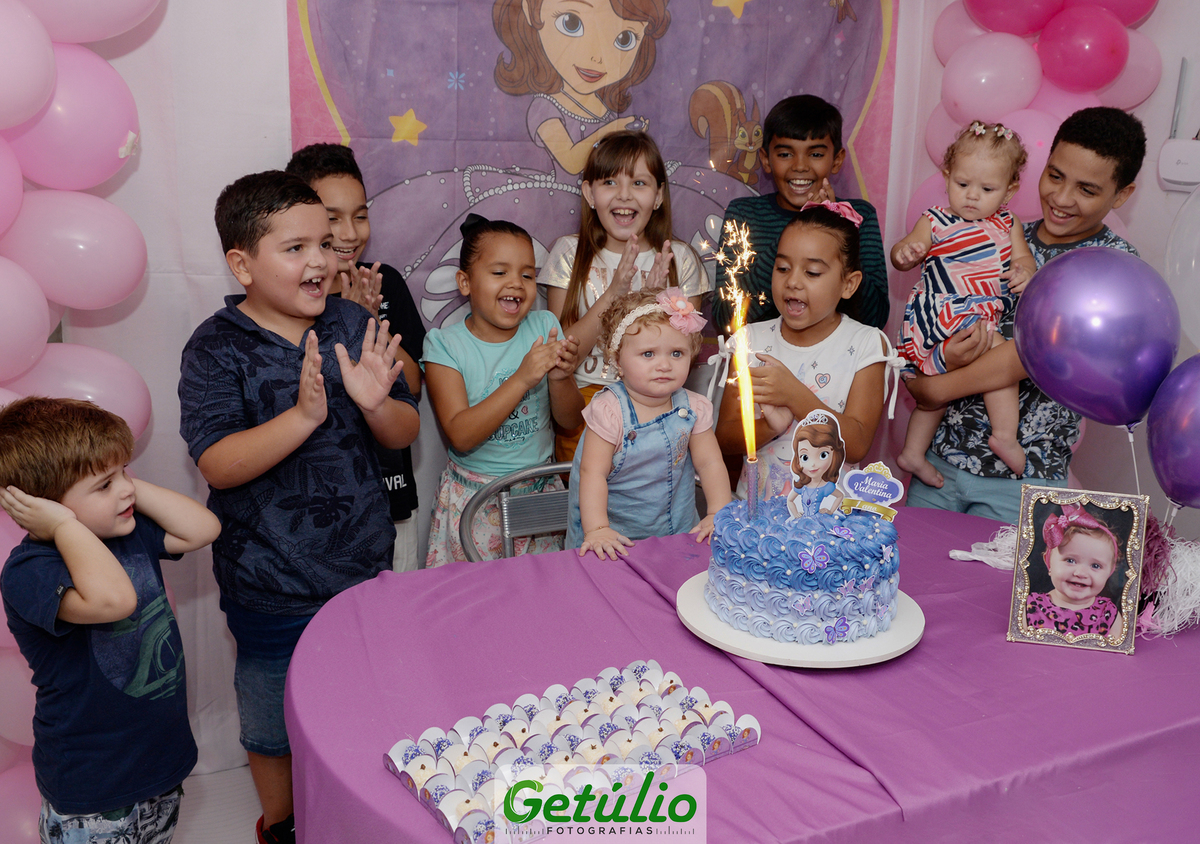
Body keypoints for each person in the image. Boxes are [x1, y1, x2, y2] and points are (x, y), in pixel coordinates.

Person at [178, 170, 420, 844]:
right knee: (271, 725)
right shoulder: (216, 347)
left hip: (364, 572)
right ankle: (282, 825)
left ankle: (359, 814)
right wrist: (303, 417)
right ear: (242, 264)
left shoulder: (352, 321)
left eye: (324, 244)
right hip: (270, 584)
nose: (320, 260)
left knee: (366, 705)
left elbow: (404, 431)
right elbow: (216, 461)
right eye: (295, 248)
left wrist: (378, 405)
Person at [905, 107, 1146, 524]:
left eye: (1087, 189)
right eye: (1055, 176)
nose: (1062, 198)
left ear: (1121, 194)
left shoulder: (1112, 266)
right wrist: (930, 361)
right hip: (941, 461)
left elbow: (1034, 353)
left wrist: (934, 389)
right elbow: (935, 303)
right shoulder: (999, 231)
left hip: (1024, 479)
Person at [0, 397, 221, 844]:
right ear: (44, 507)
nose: (126, 490)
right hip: (93, 786)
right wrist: (64, 527)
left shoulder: (125, 531)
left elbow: (204, 529)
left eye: (125, 472)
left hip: (157, 764)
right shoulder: (30, 570)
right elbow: (114, 601)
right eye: (104, 485)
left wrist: (119, 479)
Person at [285, 143, 427, 573]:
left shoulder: (386, 282)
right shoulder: (287, 295)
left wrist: (367, 321)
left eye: (360, 216)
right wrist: (341, 320)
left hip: (388, 495)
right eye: (332, 218)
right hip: (312, 510)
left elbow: (413, 385)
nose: (349, 233)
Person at [423, 214, 584, 566]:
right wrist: (522, 378)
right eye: (499, 272)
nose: (516, 283)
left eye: (527, 275)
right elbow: (461, 434)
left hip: (538, 493)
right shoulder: (444, 346)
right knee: (479, 595)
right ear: (465, 282)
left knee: (541, 589)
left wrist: (559, 378)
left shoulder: (544, 326)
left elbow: (571, 421)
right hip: (476, 501)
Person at [539, 130, 709, 461]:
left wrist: (651, 300)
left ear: (658, 196)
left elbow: (682, 355)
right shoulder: (569, 253)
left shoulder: (679, 259)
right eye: (610, 182)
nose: (625, 195)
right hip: (583, 406)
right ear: (589, 193)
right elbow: (562, 357)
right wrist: (614, 295)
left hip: (656, 405)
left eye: (639, 183)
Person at [715, 202, 892, 501]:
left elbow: (857, 444)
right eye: (782, 268)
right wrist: (770, 425)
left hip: (831, 517)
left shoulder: (866, 344)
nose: (793, 282)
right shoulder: (750, 340)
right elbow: (725, 438)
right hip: (756, 514)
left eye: (812, 272)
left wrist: (794, 396)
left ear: (849, 284)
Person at [893, 121, 1036, 486]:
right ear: (946, 177)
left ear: (1010, 189)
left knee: (938, 389)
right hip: (940, 312)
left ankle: (912, 452)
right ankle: (1004, 434)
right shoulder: (935, 220)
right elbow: (903, 250)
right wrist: (906, 252)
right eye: (962, 184)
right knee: (1000, 363)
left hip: (977, 314)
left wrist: (1023, 271)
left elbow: (1023, 259)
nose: (972, 196)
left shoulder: (1008, 224)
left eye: (987, 189)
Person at [566, 287, 732, 558]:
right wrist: (597, 529)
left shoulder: (694, 407)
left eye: (676, 353)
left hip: (677, 531)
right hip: (613, 537)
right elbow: (592, 473)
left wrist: (717, 512)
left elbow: (710, 463)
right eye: (648, 354)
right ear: (617, 359)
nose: (664, 365)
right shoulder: (609, 411)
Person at [712, 94, 889, 333]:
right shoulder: (744, 215)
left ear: (837, 160)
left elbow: (875, 317)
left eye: (815, 154)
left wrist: (839, 228)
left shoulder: (858, 216)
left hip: (836, 355)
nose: (800, 166)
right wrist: (803, 224)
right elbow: (728, 316)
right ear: (766, 159)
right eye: (785, 154)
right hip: (763, 354)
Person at [493, 0, 670, 175]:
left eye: (625, 39)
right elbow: (571, 162)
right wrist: (613, 129)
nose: (597, 57)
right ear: (531, 11)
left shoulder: (604, 109)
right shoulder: (545, 108)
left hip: (605, 193)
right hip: (564, 194)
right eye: (571, 23)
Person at [1026, 503, 1125, 638]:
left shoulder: (1109, 614)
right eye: (1070, 561)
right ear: (1048, 563)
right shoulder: (1030, 607)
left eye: (1095, 566)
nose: (1080, 573)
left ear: (1109, 572)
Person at [785, 412, 846, 518]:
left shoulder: (826, 486)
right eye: (805, 457)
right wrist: (796, 515)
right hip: (802, 521)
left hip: (819, 520)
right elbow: (790, 500)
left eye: (823, 455)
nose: (813, 464)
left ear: (834, 456)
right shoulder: (801, 486)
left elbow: (840, 496)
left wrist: (830, 511)